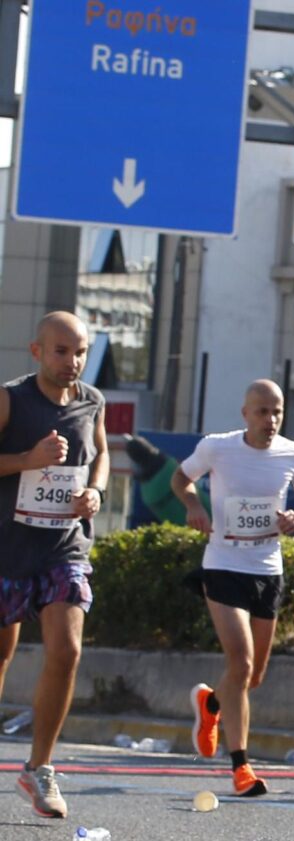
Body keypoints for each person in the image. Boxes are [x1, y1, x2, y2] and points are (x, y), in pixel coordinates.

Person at [172, 379, 294, 797]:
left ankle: (211, 705)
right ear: (245, 414)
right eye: (262, 411)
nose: (270, 420)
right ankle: (241, 767)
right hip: (223, 565)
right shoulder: (217, 447)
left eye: (277, 412)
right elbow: (180, 478)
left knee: (252, 677)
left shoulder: (292, 453)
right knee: (239, 663)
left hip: (267, 570)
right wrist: (194, 505)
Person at [0, 311, 108, 819]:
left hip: (64, 546)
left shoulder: (93, 401)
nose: (73, 361)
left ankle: (39, 767)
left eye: (80, 352)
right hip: (7, 546)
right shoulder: (10, 399)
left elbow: (101, 453)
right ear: (37, 351)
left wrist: (96, 491)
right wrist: (27, 459)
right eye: (61, 351)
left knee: (66, 650)